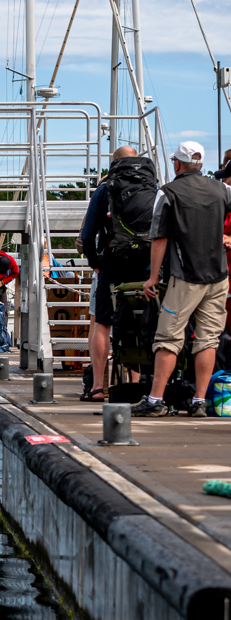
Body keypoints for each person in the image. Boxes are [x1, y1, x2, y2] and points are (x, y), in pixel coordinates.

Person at [134, 141, 231, 417]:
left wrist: (152, 278)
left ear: (177, 164)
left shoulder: (168, 192)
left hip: (185, 277)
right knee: (208, 340)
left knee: (168, 338)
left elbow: (159, 238)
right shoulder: (222, 189)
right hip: (218, 277)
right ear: (200, 164)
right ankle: (200, 401)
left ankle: (155, 399)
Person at [79, 145, 150, 400]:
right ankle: (135, 382)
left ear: (114, 164)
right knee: (137, 320)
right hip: (144, 265)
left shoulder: (104, 189)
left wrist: (94, 260)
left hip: (112, 263)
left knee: (103, 323)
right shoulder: (151, 187)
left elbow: (88, 234)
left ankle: (98, 386)